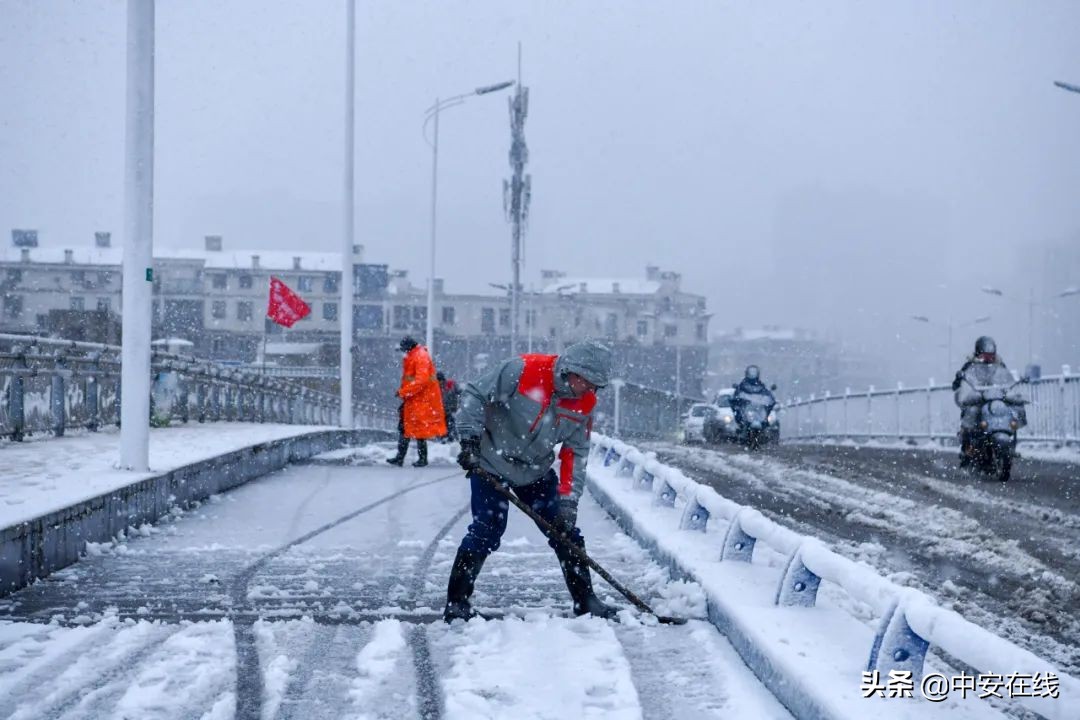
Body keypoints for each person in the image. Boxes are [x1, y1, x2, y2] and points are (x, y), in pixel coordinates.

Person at [444, 340, 615, 622]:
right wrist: (469, 440)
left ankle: (586, 600)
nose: (591, 390)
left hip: (534, 471)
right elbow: (475, 394)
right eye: (588, 382)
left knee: (565, 533)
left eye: (596, 386)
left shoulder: (584, 403)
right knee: (487, 528)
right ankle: (457, 603)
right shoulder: (523, 370)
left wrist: (569, 502)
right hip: (489, 461)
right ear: (571, 371)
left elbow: (576, 452)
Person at [951, 336, 1025, 467]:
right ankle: (968, 449)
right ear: (978, 353)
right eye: (985, 355)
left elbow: (1006, 379)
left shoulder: (999, 365)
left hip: (996, 398)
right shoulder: (970, 365)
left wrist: (1011, 389)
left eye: (991, 355)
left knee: (1012, 411)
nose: (988, 358)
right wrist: (960, 382)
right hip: (978, 400)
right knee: (971, 413)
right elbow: (958, 384)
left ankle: (1010, 445)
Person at [386, 336, 446, 467]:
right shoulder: (416, 355)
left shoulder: (420, 356)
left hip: (421, 400)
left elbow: (421, 381)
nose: (403, 353)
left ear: (408, 347)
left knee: (416, 430)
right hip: (415, 399)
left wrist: (403, 392)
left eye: (403, 350)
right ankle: (404, 457)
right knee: (408, 428)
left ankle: (417, 458)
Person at [437, 371, 461, 441]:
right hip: (442, 411)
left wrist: (459, 400)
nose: (439, 382)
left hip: (451, 409)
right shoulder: (436, 388)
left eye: (440, 380)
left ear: (443, 379)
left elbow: (459, 392)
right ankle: (444, 438)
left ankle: (454, 438)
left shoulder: (450, 384)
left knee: (451, 424)